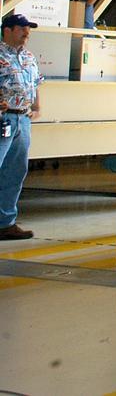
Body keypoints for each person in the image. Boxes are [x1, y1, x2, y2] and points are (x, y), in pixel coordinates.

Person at [0, 14, 42, 241]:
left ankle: (6, 222)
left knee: (15, 171)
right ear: (7, 29)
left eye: (28, 30)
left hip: (22, 119)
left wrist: (36, 106)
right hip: (2, 118)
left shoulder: (28, 57)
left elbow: (35, 83)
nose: (26, 33)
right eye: (21, 29)